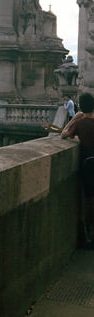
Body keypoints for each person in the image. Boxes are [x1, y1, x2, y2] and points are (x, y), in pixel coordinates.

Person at [61, 92, 94, 245]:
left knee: (88, 200)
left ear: (80, 106)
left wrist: (74, 118)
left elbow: (64, 134)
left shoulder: (80, 123)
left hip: (88, 164)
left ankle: (88, 234)